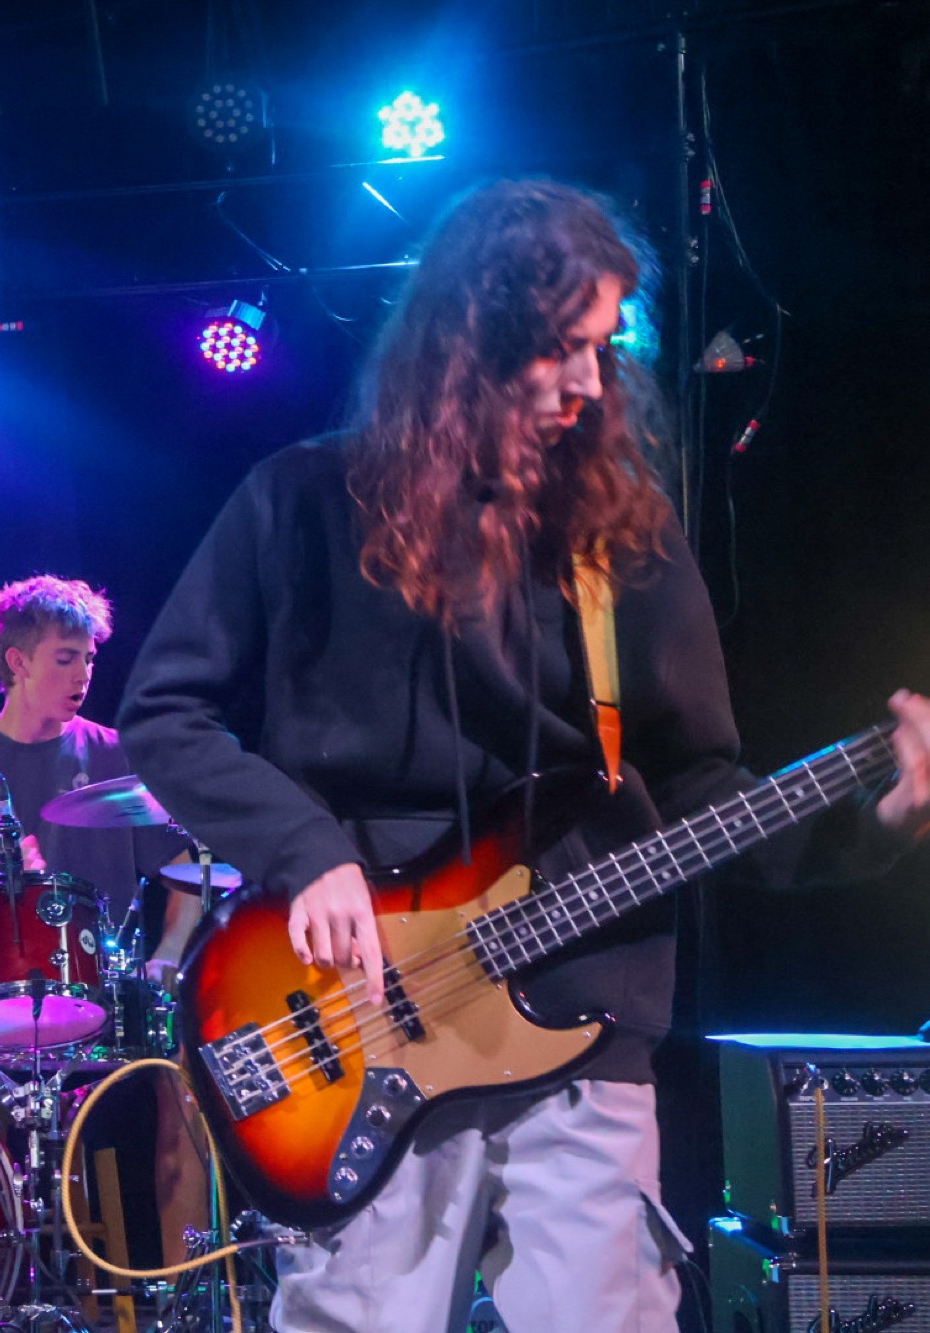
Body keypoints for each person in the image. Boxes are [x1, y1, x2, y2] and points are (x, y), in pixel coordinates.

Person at [116, 179, 930, 1333]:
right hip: (358, 1014)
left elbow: (698, 785)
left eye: (601, 347)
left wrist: (873, 824)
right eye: (560, 347)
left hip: (585, 1015)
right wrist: (306, 852)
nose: (590, 381)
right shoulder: (299, 502)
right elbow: (164, 711)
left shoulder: (620, 538)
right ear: (468, 338)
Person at [0, 573, 207, 1266]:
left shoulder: (114, 756)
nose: (84, 673)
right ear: (18, 661)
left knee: (185, 1072)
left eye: (89, 657)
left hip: (101, 971)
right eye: (66, 657)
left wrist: (168, 953)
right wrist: (1, 915)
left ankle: (185, 1281)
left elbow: (188, 876)